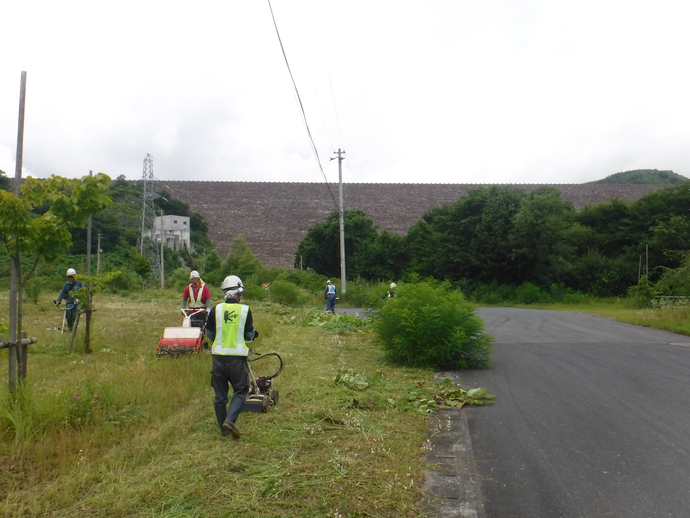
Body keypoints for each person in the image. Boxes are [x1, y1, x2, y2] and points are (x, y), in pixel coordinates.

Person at [205, 275, 258, 438]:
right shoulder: (245, 310)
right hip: (236, 359)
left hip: (218, 358)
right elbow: (248, 335)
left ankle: (223, 430)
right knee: (241, 391)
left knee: (220, 396)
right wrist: (252, 335)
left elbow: (210, 334)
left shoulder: (216, 310)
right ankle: (230, 420)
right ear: (238, 294)